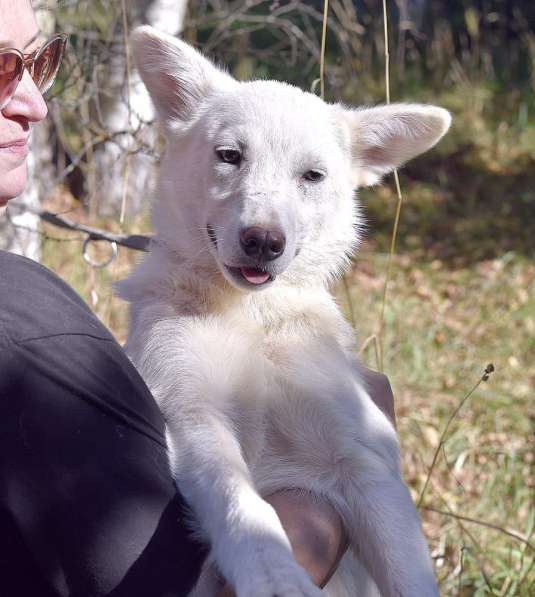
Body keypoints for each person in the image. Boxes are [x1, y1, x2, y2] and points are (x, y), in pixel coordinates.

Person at [0, 1, 395, 595]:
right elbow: (171, 581)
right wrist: (344, 480)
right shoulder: (22, 320)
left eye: (40, 61)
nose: (36, 102)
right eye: (3, 69)